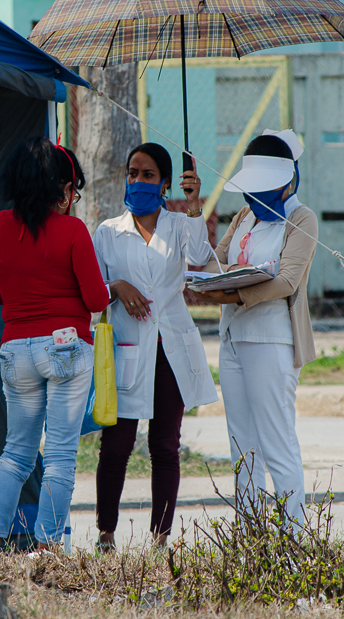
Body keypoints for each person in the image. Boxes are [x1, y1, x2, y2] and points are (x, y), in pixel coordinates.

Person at [0, 137, 109, 551]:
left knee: (15, 454)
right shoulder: (72, 229)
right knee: (58, 457)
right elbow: (95, 300)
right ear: (61, 189)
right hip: (66, 348)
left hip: (15, 348)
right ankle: (48, 548)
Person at [91, 143, 219, 549]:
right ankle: (106, 534)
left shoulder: (180, 225)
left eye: (148, 175)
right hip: (127, 349)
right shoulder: (108, 231)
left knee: (165, 445)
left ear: (165, 184)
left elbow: (200, 256)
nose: (138, 181)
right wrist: (116, 286)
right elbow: (92, 291)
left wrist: (195, 204)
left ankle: (160, 539)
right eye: (133, 173)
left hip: (171, 349)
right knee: (116, 445)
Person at [198, 131, 317, 525]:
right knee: (242, 447)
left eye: (264, 191)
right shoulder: (244, 215)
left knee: (276, 442)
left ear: (288, 183)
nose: (254, 200)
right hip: (232, 337)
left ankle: (294, 538)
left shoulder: (301, 219)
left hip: (271, 339)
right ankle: (252, 544)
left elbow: (286, 280)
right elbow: (216, 260)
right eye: (251, 191)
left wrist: (234, 293)